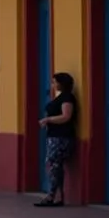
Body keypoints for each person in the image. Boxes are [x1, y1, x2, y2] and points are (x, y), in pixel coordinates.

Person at [36, 72, 78, 207]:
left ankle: (52, 196)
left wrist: (48, 119)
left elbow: (66, 116)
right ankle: (56, 195)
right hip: (54, 136)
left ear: (61, 83)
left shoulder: (67, 98)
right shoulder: (60, 97)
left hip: (62, 137)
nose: (52, 85)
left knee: (54, 164)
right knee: (54, 165)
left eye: (54, 82)